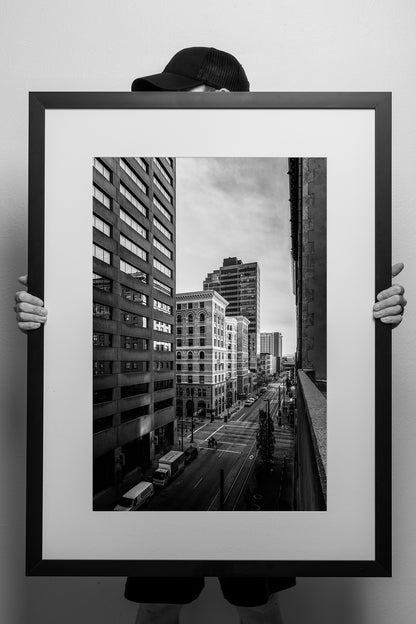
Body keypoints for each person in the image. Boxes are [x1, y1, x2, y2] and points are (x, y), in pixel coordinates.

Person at [14, 47, 407, 624]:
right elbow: (80, 305)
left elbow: (332, 314)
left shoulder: (326, 148)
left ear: (223, 101)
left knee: (257, 602)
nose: (162, 110)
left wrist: (377, 309)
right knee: (158, 602)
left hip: (260, 519)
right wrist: (45, 311)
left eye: (178, 93)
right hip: (166, 526)